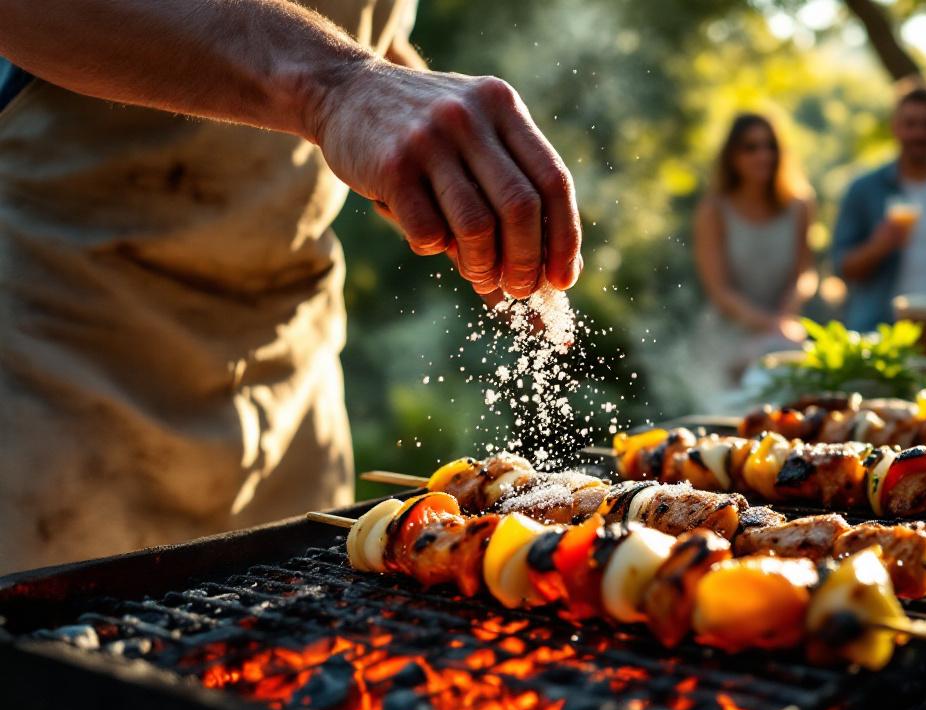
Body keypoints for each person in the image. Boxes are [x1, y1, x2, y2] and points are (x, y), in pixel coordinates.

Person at [0, 0, 581, 573]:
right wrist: (337, 86)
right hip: (67, 356)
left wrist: (436, 142)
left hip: (291, 370)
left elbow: (365, 25)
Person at [832, 79, 926, 331]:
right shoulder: (864, 189)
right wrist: (877, 247)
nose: (919, 133)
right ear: (895, 127)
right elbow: (841, 267)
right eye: (910, 124)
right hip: (878, 325)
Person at [689, 113, 813, 402]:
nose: (763, 155)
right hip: (728, 341)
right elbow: (719, 292)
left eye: (770, 146)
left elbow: (804, 271)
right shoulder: (713, 211)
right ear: (733, 156)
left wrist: (784, 317)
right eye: (751, 147)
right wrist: (770, 325)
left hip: (782, 335)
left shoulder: (800, 205)